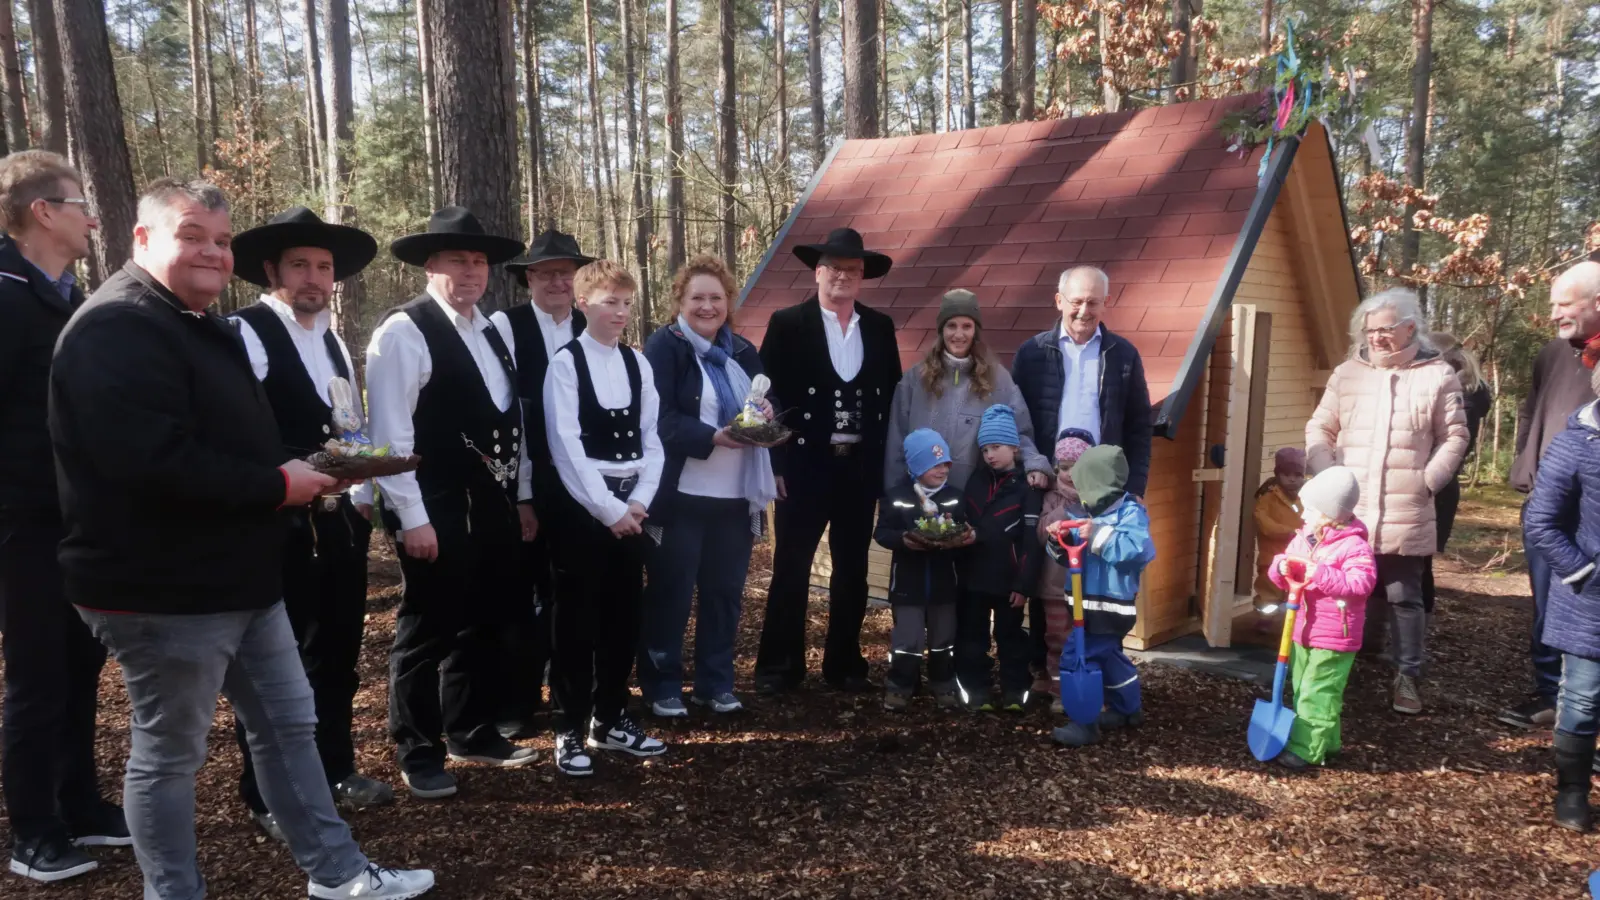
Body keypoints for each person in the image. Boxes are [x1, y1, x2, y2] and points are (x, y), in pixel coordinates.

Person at [50, 177, 432, 899]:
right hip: (159, 587)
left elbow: (239, 439)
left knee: (289, 726)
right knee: (170, 755)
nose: (212, 252)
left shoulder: (200, 323)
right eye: (192, 236)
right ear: (142, 239)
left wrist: (319, 473)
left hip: (243, 575)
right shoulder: (116, 328)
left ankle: (339, 875)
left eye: (221, 241)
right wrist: (279, 485)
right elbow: (148, 462)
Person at [227, 207, 392, 839]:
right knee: (277, 664)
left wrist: (364, 488)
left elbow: (349, 429)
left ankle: (335, 768)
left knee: (338, 651)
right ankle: (267, 794)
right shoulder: (245, 333)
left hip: (338, 522)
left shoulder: (332, 341)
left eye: (323, 267)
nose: (314, 278)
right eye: (300, 265)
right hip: (278, 524)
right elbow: (239, 431)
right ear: (272, 271)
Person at [366, 206, 538, 800]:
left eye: (479, 261)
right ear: (429, 266)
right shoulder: (404, 332)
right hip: (433, 503)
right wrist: (412, 519)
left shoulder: (491, 330)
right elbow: (390, 438)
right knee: (428, 627)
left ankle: (470, 729)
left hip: (491, 502)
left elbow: (509, 422)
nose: (471, 271)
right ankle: (417, 748)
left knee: (483, 619)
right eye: (457, 260)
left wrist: (520, 496)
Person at [0, 150, 128, 884]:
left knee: (81, 667)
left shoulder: (73, 295)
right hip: (23, 522)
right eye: (81, 204)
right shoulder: (6, 294)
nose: (92, 219)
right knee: (38, 676)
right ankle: (33, 830)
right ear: (43, 212)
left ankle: (80, 803)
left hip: (79, 521)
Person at [1305, 288, 1468, 716]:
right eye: (1369, 331)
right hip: (1350, 506)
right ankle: (1354, 659)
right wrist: (1327, 476)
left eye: (1385, 329)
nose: (1375, 338)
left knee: (1402, 594)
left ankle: (1407, 674)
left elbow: (1455, 436)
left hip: (1405, 505)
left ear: (1409, 328)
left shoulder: (1438, 375)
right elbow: (1320, 427)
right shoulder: (1347, 374)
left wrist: (1427, 481)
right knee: (1347, 587)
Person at [755, 227, 902, 695]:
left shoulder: (879, 327)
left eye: (852, 269)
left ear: (862, 277)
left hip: (858, 467)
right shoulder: (787, 323)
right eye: (834, 268)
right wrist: (776, 465)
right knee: (791, 566)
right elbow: (767, 399)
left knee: (853, 569)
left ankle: (844, 665)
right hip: (803, 466)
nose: (843, 276)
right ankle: (779, 668)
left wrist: (887, 469)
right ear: (817, 272)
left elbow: (892, 398)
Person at [638, 255, 778, 718]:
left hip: (735, 497)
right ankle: (662, 685)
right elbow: (657, 419)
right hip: (680, 497)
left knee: (724, 596)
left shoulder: (742, 351)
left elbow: (766, 399)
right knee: (671, 595)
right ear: (679, 299)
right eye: (697, 297)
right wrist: (712, 437)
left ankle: (714, 683)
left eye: (716, 298)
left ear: (728, 302)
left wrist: (767, 413)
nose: (707, 306)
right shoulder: (665, 347)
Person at [543, 259, 668, 776]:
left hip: (631, 509)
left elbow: (652, 439)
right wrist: (609, 510)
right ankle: (568, 727)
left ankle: (611, 718)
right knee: (576, 624)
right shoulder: (566, 364)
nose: (620, 312)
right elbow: (565, 447)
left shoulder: (638, 363)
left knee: (623, 618)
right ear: (583, 304)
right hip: (581, 512)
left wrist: (639, 501)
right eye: (609, 302)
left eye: (626, 303)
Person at [490, 229, 594, 737]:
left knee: (571, 591)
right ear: (528, 278)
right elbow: (506, 413)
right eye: (547, 273)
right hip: (524, 478)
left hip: (582, 481)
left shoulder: (591, 326)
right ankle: (516, 698)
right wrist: (523, 495)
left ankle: (572, 697)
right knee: (517, 589)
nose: (558, 282)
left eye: (566, 274)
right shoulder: (503, 328)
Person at [1500, 261, 1600, 730]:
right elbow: (1531, 409)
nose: (1554, 313)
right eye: (1553, 304)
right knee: (1548, 602)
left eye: (1564, 304)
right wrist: (1525, 463)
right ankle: (1550, 695)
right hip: (1549, 503)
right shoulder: (1553, 353)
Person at [1522, 358, 1600, 832]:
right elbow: (1541, 522)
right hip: (1590, 598)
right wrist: (1584, 572)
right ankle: (1572, 789)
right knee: (1583, 698)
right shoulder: (1576, 444)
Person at [1264, 466, 1378, 770]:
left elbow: (1361, 584)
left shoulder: (1354, 546)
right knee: (1304, 688)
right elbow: (1285, 570)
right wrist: (1281, 567)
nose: (1304, 515)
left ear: (1330, 514)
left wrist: (1322, 574)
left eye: (1311, 510)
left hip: (1335, 636)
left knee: (1317, 692)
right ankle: (1328, 742)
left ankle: (1306, 750)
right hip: (1302, 629)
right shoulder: (1304, 539)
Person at [884, 288, 1050, 492]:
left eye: (967, 326)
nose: (959, 334)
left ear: (975, 331)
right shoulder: (915, 379)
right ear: (941, 330)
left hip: (976, 496)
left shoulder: (998, 379)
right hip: (922, 496)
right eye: (951, 326)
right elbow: (896, 441)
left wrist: (1034, 463)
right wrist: (893, 491)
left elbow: (1019, 431)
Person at [1047, 445, 1156, 748]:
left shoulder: (1129, 514)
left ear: (1097, 482)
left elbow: (1138, 551)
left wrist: (1097, 535)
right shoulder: (1083, 515)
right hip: (1085, 605)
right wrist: (1059, 539)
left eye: (1082, 482)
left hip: (1110, 608)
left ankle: (1084, 723)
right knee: (1109, 659)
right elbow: (1068, 556)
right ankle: (1127, 709)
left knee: (1077, 657)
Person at [1011, 266, 1153, 497]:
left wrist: (1135, 488)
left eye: (1093, 302)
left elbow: (1139, 426)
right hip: (1044, 483)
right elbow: (1015, 421)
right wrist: (1030, 468)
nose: (1084, 311)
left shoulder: (1124, 355)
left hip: (1104, 486)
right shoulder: (1031, 353)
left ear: (1106, 303)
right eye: (1077, 302)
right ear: (1059, 301)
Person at [874, 428, 970, 711]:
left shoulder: (954, 497)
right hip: (907, 582)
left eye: (945, 464)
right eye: (934, 465)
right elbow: (882, 533)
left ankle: (943, 684)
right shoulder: (897, 496)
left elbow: (962, 528)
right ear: (916, 467)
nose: (942, 471)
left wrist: (958, 538)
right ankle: (900, 687)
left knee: (943, 638)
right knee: (908, 638)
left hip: (944, 583)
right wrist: (903, 540)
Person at [956, 405, 1043, 712]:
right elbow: (966, 519)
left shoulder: (1027, 486)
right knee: (972, 637)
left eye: (996, 447)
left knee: (1011, 637)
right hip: (974, 577)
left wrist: (1024, 585)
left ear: (1014, 447)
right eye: (984, 449)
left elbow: (1030, 540)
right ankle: (976, 690)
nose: (989, 455)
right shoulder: (976, 480)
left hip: (1009, 580)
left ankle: (1015, 691)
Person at [1421, 333, 1493, 616]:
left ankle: (1415, 632)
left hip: (1435, 485)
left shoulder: (1462, 397)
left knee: (1418, 565)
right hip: (1437, 484)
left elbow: (1449, 447)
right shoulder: (1466, 392)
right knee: (1419, 565)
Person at [1034, 432, 1092, 714]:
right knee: (1057, 637)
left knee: (1083, 637)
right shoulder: (1051, 498)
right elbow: (1041, 533)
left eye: (1076, 468)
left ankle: (1084, 686)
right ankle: (1058, 689)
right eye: (1064, 467)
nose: (1069, 474)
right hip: (1055, 585)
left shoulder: (1095, 498)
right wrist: (1064, 511)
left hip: (1087, 585)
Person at [1252, 448, 1307, 614]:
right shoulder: (1267, 497)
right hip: (1272, 556)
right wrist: (1291, 532)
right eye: (1286, 474)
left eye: (1297, 475)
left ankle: (1290, 621)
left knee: (1296, 591)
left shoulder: (1307, 496)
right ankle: (1264, 619)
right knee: (1269, 592)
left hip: (1300, 556)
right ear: (1278, 474)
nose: (1292, 479)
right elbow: (1264, 524)